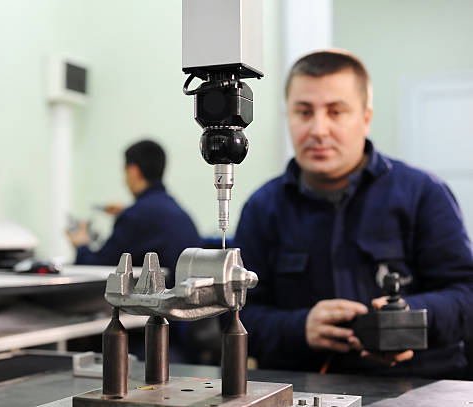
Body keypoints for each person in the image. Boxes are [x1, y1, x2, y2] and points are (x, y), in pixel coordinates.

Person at [234, 49, 473, 378]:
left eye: (336, 112)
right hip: (304, 389)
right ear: (287, 115)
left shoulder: (423, 194)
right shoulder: (262, 209)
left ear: (366, 117)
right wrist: (298, 327)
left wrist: (409, 319)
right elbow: (237, 315)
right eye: (304, 112)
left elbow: (466, 294)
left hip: (418, 386)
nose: (318, 129)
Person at [67, 139, 201, 287]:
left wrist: (81, 245)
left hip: (157, 307)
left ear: (133, 171)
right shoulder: (178, 212)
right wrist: (127, 214)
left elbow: (101, 268)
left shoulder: (135, 217)